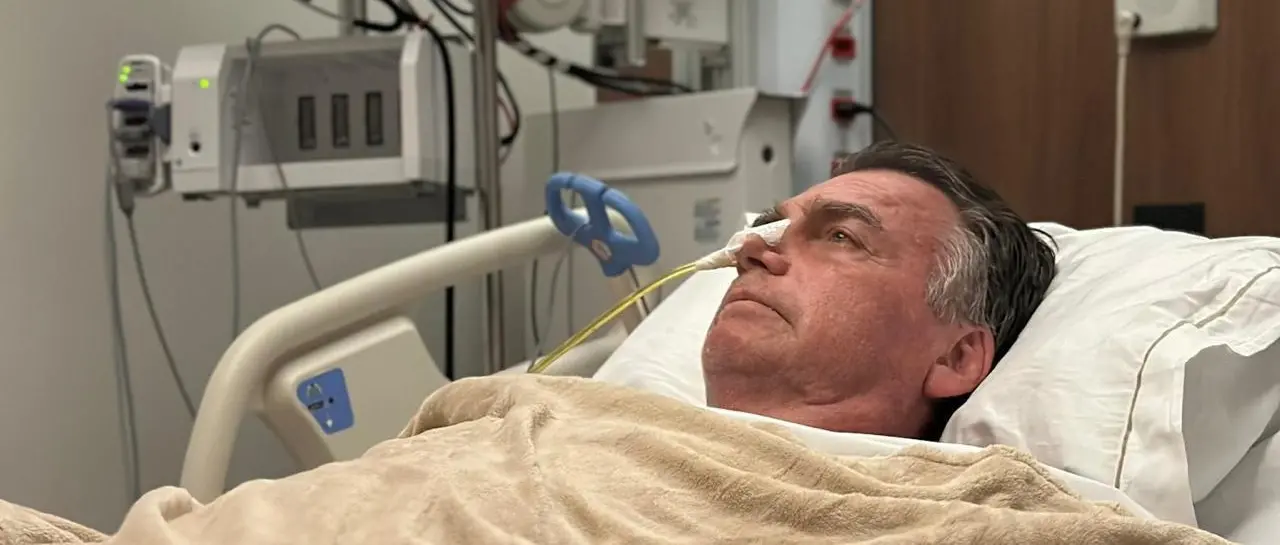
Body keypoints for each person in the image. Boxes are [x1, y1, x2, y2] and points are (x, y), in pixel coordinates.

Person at [701, 141, 1056, 440]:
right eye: (769, 230)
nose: (750, 249)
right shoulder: (664, 442)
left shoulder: (991, 504)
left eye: (841, 236)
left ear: (956, 358)